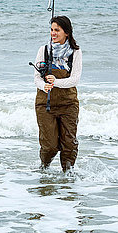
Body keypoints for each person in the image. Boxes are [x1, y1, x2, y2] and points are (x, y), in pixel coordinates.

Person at [33, 15, 82, 172]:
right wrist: (43, 86)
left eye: (57, 30)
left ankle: (68, 177)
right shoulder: (44, 50)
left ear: (66, 32)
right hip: (45, 104)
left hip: (68, 104)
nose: (53, 33)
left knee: (69, 144)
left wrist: (55, 82)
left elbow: (74, 79)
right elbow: (36, 79)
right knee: (50, 146)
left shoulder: (75, 52)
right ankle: (44, 170)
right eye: (52, 30)